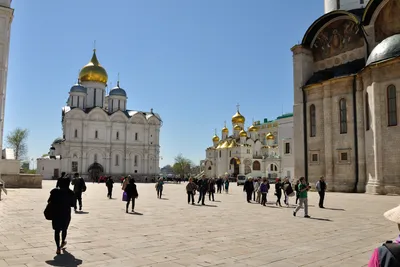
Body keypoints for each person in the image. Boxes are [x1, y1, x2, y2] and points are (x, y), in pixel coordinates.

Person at [47, 178, 75, 255]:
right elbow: (72, 204)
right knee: (64, 229)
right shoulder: (70, 193)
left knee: (56, 230)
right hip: (66, 213)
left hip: (56, 213)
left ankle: (58, 248)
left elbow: (49, 201)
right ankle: (63, 241)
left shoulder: (54, 191)